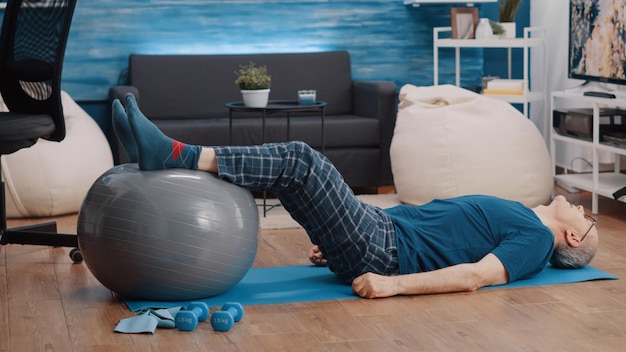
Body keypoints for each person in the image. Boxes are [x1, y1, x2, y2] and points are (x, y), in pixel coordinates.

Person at [111, 93, 599, 299]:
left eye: (584, 214)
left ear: (573, 238)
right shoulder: (522, 214)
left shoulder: (535, 242)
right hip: (377, 228)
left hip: (382, 250)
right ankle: (155, 153)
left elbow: (475, 277)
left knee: (301, 161)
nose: (580, 204)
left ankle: (173, 154)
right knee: (295, 174)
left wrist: (392, 286)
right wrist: (338, 242)